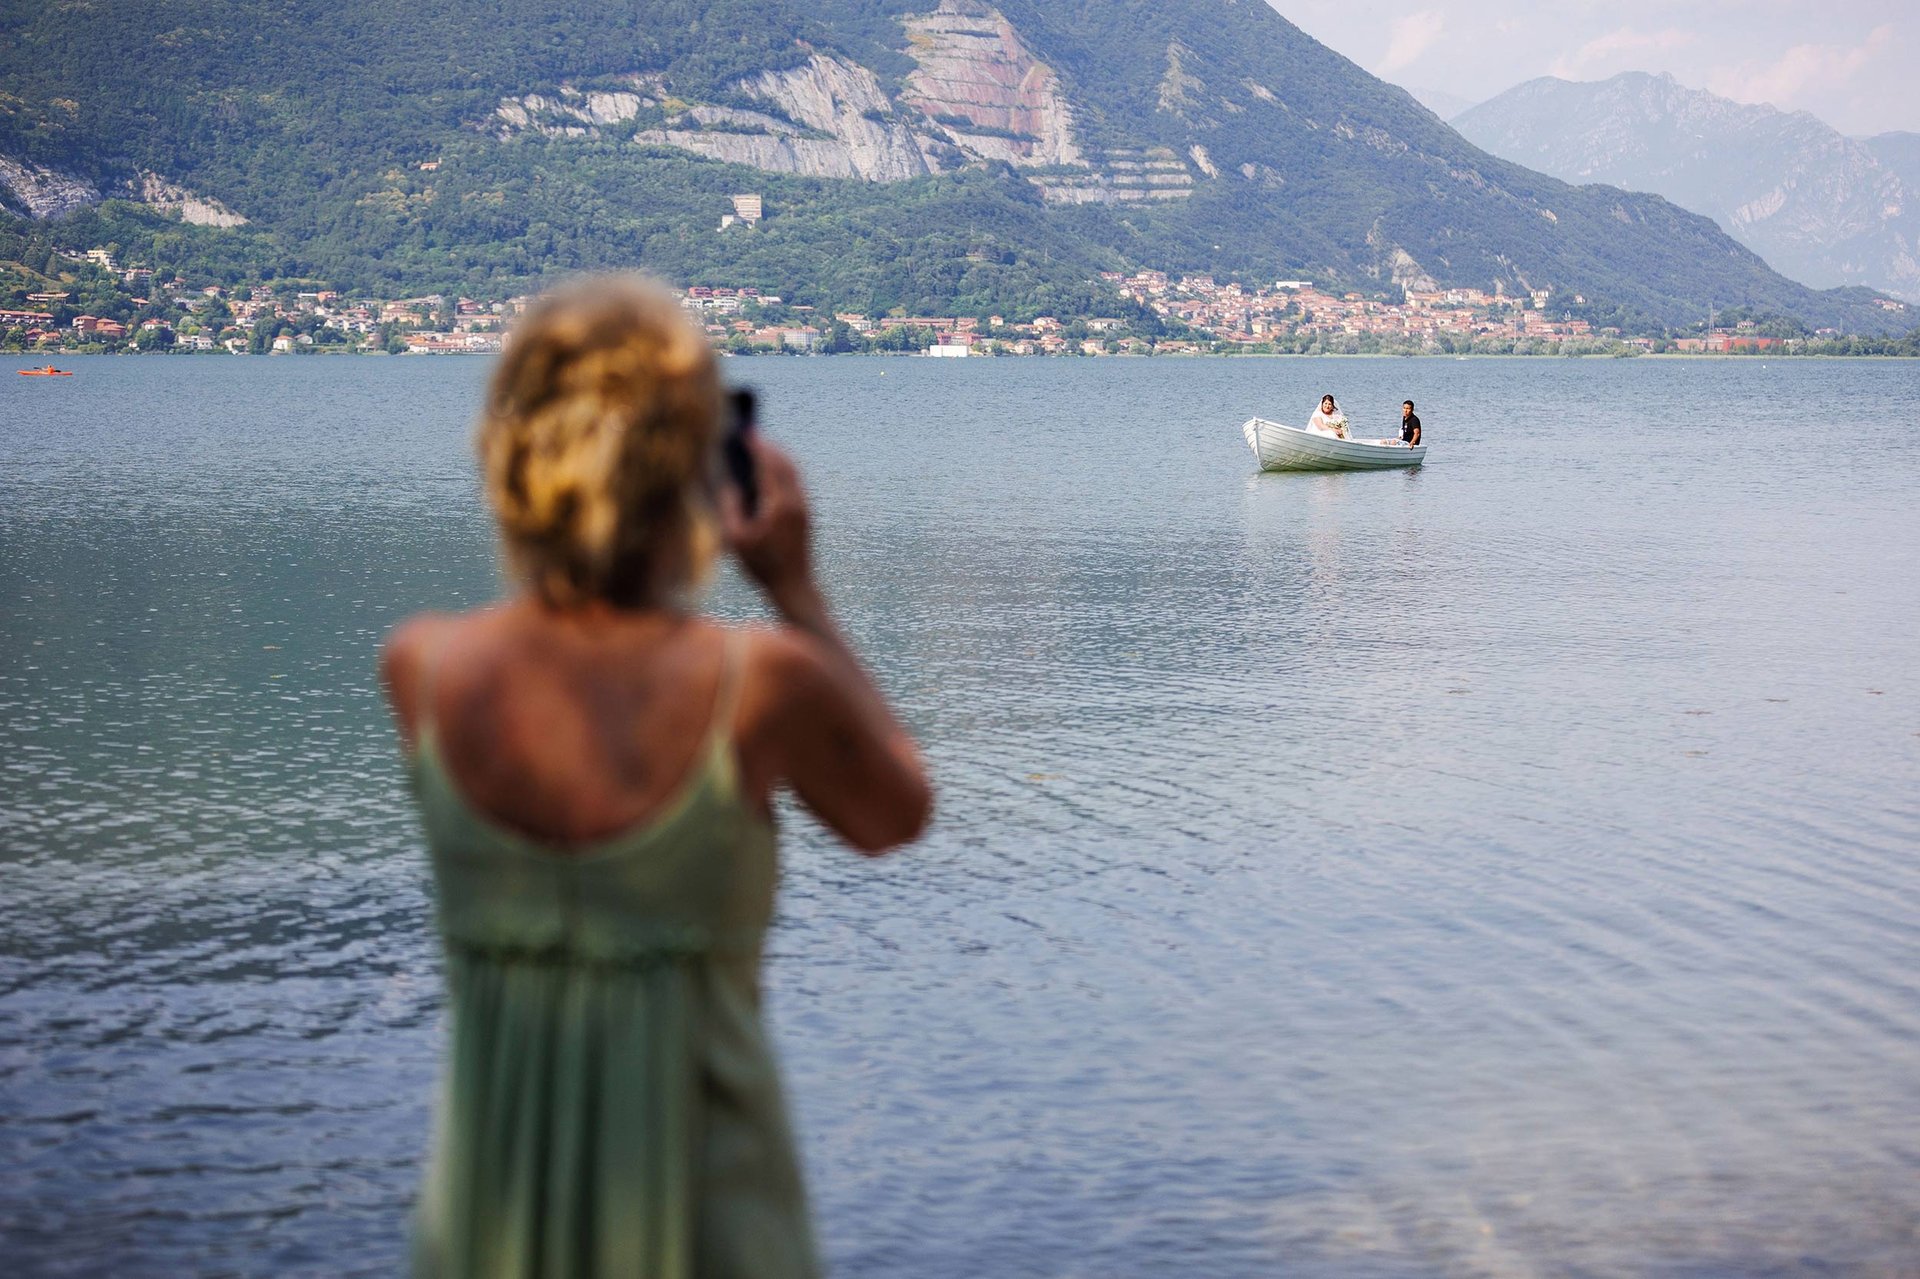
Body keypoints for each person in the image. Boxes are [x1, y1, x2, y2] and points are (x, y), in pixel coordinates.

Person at [381, 275, 933, 1278]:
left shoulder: (421, 671)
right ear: (693, 467)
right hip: (711, 1230)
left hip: (483, 1234)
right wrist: (795, 587)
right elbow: (895, 811)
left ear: (510, 453)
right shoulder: (756, 684)